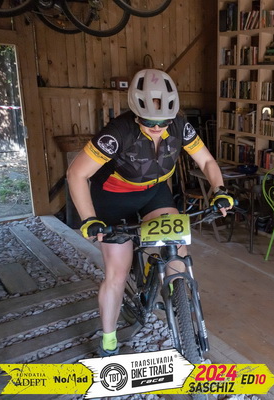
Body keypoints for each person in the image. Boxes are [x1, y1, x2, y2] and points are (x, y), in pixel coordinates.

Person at [67, 68, 233, 356]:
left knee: (177, 250)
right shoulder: (117, 132)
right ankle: (109, 339)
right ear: (136, 112)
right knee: (117, 274)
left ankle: (178, 300)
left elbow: (207, 162)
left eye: (164, 122)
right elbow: (76, 174)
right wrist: (89, 219)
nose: (157, 128)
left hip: (154, 192)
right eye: (148, 122)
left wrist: (220, 190)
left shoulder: (180, 126)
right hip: (113, 199)